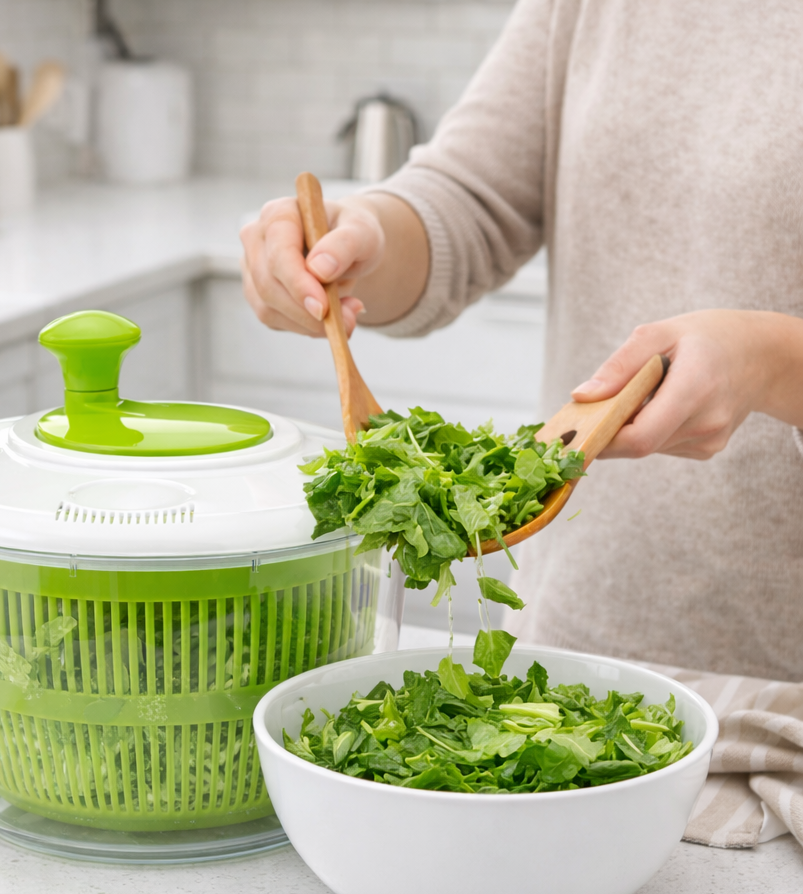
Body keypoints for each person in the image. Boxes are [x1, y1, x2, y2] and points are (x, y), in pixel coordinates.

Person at [239, 0, 803, 682]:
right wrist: (366, 239)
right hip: (572, 654)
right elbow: (471, 197)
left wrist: (772, 362)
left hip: (783, 685)